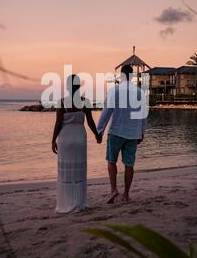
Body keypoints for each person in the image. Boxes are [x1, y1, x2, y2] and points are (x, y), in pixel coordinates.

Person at [97, 65, 147, 203]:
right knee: (129, 164)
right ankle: (126, 194)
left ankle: (113, 190)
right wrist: (142, 132)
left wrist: (99, 131)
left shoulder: (114, 91)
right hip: (132, 134)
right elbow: (143, 115)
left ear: (121, 75)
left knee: (111, 161)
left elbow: (106, 112)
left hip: (116, 132)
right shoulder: (139, 93)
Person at [52, 74, 101, 213]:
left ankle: (66, 202)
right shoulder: (85, 101)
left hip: (65, 139)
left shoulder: (61, 102)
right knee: (79, 173)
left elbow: (58, 124)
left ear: (67, 87)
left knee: (66, 173)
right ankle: (79, 202)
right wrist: (97, 135)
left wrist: (53, 140)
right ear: (79, 86)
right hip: (79, 139)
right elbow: (90, 122)